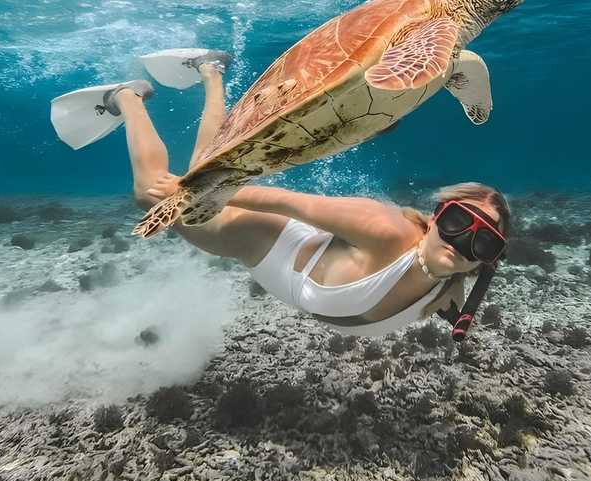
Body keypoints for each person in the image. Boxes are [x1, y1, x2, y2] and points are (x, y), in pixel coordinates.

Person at [106, 53, 511, 337]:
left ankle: (211, 71)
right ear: (438, 215)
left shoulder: (456, 283)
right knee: (155, 191)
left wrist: (457, 281)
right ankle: (129, 95)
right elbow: (288, 201)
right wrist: (191, 191)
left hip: (301, 271)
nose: (462, 242)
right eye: (458, 221)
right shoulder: (385, 230)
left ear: (491, 254)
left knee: (208, 160)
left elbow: (459, 272)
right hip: (268, 245)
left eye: (483, 239)